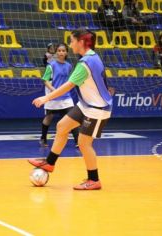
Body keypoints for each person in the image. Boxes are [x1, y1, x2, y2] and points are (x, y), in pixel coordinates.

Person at [28, 28, 114, 190]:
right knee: (62, 126)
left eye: (72, 41)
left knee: (83, 143)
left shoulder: (85, 63)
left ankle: (94, 179)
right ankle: (50, 163)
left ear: (81, 42)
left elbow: (68, 86)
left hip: (97, 108)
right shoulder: (90, 58)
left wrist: (45, 98)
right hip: (86, 104)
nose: (70, 44)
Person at [39, 43, 79, 147]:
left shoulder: (69, 66)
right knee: (49, 117)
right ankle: (43, 138)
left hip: (66, 97)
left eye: (63, 51)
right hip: (52, 96)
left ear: (66, 53)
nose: (61, 52)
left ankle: (77, 141)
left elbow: (71, 81)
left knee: (72, 118)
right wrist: (54, 90)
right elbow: (45, 80)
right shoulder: (51, 65)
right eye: (59, 51)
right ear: (56, 52)